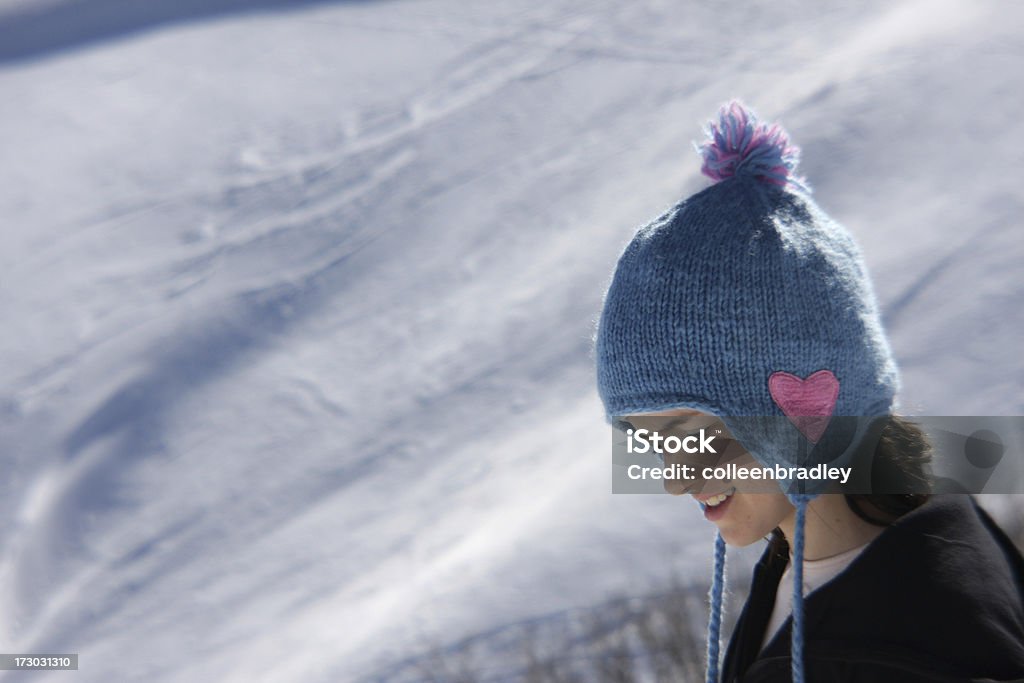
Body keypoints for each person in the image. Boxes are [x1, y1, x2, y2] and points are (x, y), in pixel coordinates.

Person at [594, 101, 1024, 682]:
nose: (676, 479)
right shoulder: (886, 542)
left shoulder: (897, 655)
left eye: (695, 433)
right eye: (651, 442)